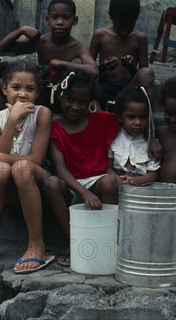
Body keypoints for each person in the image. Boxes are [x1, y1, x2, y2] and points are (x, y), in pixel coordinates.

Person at [0, 61, 54, 274]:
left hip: (35, 176)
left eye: (30, 89)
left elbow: (36, 159)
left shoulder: (43, 114)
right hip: (6, 182)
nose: (22, 94)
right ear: (4, 89)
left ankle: (37, 245)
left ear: (37, 92)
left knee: (22, 167)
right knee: (0, 169)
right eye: (16, 88)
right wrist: (13, 120)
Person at [42, 70, 119, 266]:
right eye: (70, 99)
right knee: (50, 183)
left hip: (96, 180)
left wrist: (152, 138)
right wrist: (84, 193)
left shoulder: (101, 120)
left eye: (82, 102)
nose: (75, 106)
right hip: (70, 183)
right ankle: (74, 241)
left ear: (90, 103)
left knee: (110, 181)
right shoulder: (55, 128)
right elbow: (60, 169)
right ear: (60, 96)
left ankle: (106, 242)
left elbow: (133, 124)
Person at [0, 0, 98, 110]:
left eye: (66, 17)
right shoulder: (41, 42)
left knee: (82, 73)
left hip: (67, 94)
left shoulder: (79, 47)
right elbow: (2, 47)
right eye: (54, 17)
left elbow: (94, 71)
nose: (60, 22)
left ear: (74, 20)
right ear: (47, 20)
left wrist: (63, 64)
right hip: (42, 92)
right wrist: (22, 30)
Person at [89, 0, 155, 109]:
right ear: (110, 16)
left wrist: (131, 68)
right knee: (83, 79)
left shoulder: (140, 38)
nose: (124, 32)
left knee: (147, 72)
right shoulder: (100, 35)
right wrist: (103, 67)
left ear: (136, 18)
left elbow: (142, 74)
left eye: (129, 27)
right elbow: (88, 70)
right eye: (120, 27)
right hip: (103, 87)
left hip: (129, 89)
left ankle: (147, 113)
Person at [109, 86, 160, 185]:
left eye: (143, 117)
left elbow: (153, 175)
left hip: (140, 189)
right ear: (120, 117)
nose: (138, 122)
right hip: (115, 184)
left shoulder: (150, 144)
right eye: (131, 117)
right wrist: (114, 178)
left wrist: (135, 180)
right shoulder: (113, 137)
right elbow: (107, 167)